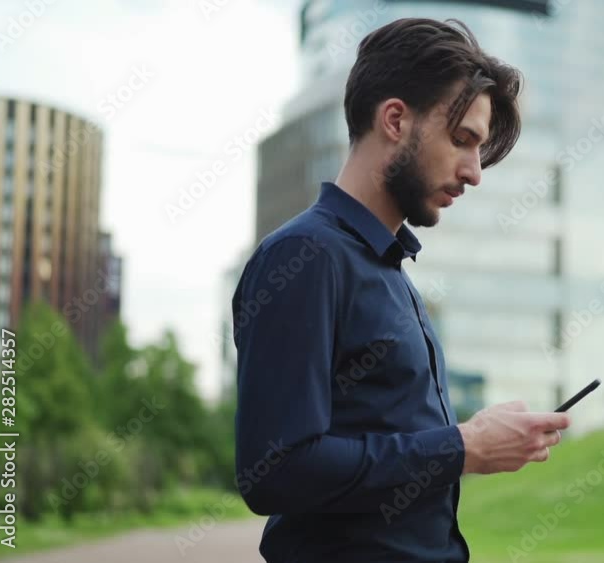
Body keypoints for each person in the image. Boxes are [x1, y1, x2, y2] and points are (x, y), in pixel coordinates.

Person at [231, 17, 571, 562]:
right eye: (462, 140)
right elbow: (275, 471)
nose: (474, 172)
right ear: (395, 119)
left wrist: (470, 441)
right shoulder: (305, 257)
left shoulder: (392, 273)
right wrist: (464, 445)